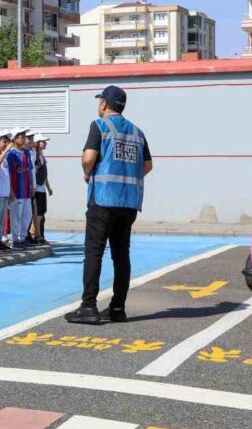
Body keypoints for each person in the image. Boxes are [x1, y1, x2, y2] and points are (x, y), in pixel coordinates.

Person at [65, 86, 153, 325]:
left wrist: (88, 172)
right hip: (129, 202)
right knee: (121, 256)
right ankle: (117, 308)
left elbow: (88, 158)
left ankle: (88, 306)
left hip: (103, 200)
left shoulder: (99, 126)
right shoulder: (137, 132)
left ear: (104, 104)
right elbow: (147, 166)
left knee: (94, 253)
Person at [6, 127, 35, 249]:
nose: (24, 139)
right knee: (16, 216)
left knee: (27, 215)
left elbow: (30, 170)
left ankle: (22, 238)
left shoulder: (27, 152)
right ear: (14, 139)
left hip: (27, 191)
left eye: (24, 136)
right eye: (21, 136)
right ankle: (15, 239)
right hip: (16, 191)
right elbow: (8, 174)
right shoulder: (11, 154)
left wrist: (32, 185)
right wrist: (11, 191)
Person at [31, 133, 53, 246]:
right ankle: (35, 235)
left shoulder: (42, 156)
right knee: (37, 213)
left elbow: (44, 174)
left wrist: (48, 188)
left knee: (41, 213)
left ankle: (39, 235)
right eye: (42, 141)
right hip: (36, 188)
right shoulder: (34, 156)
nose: (45, 143)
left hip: (42, 188)